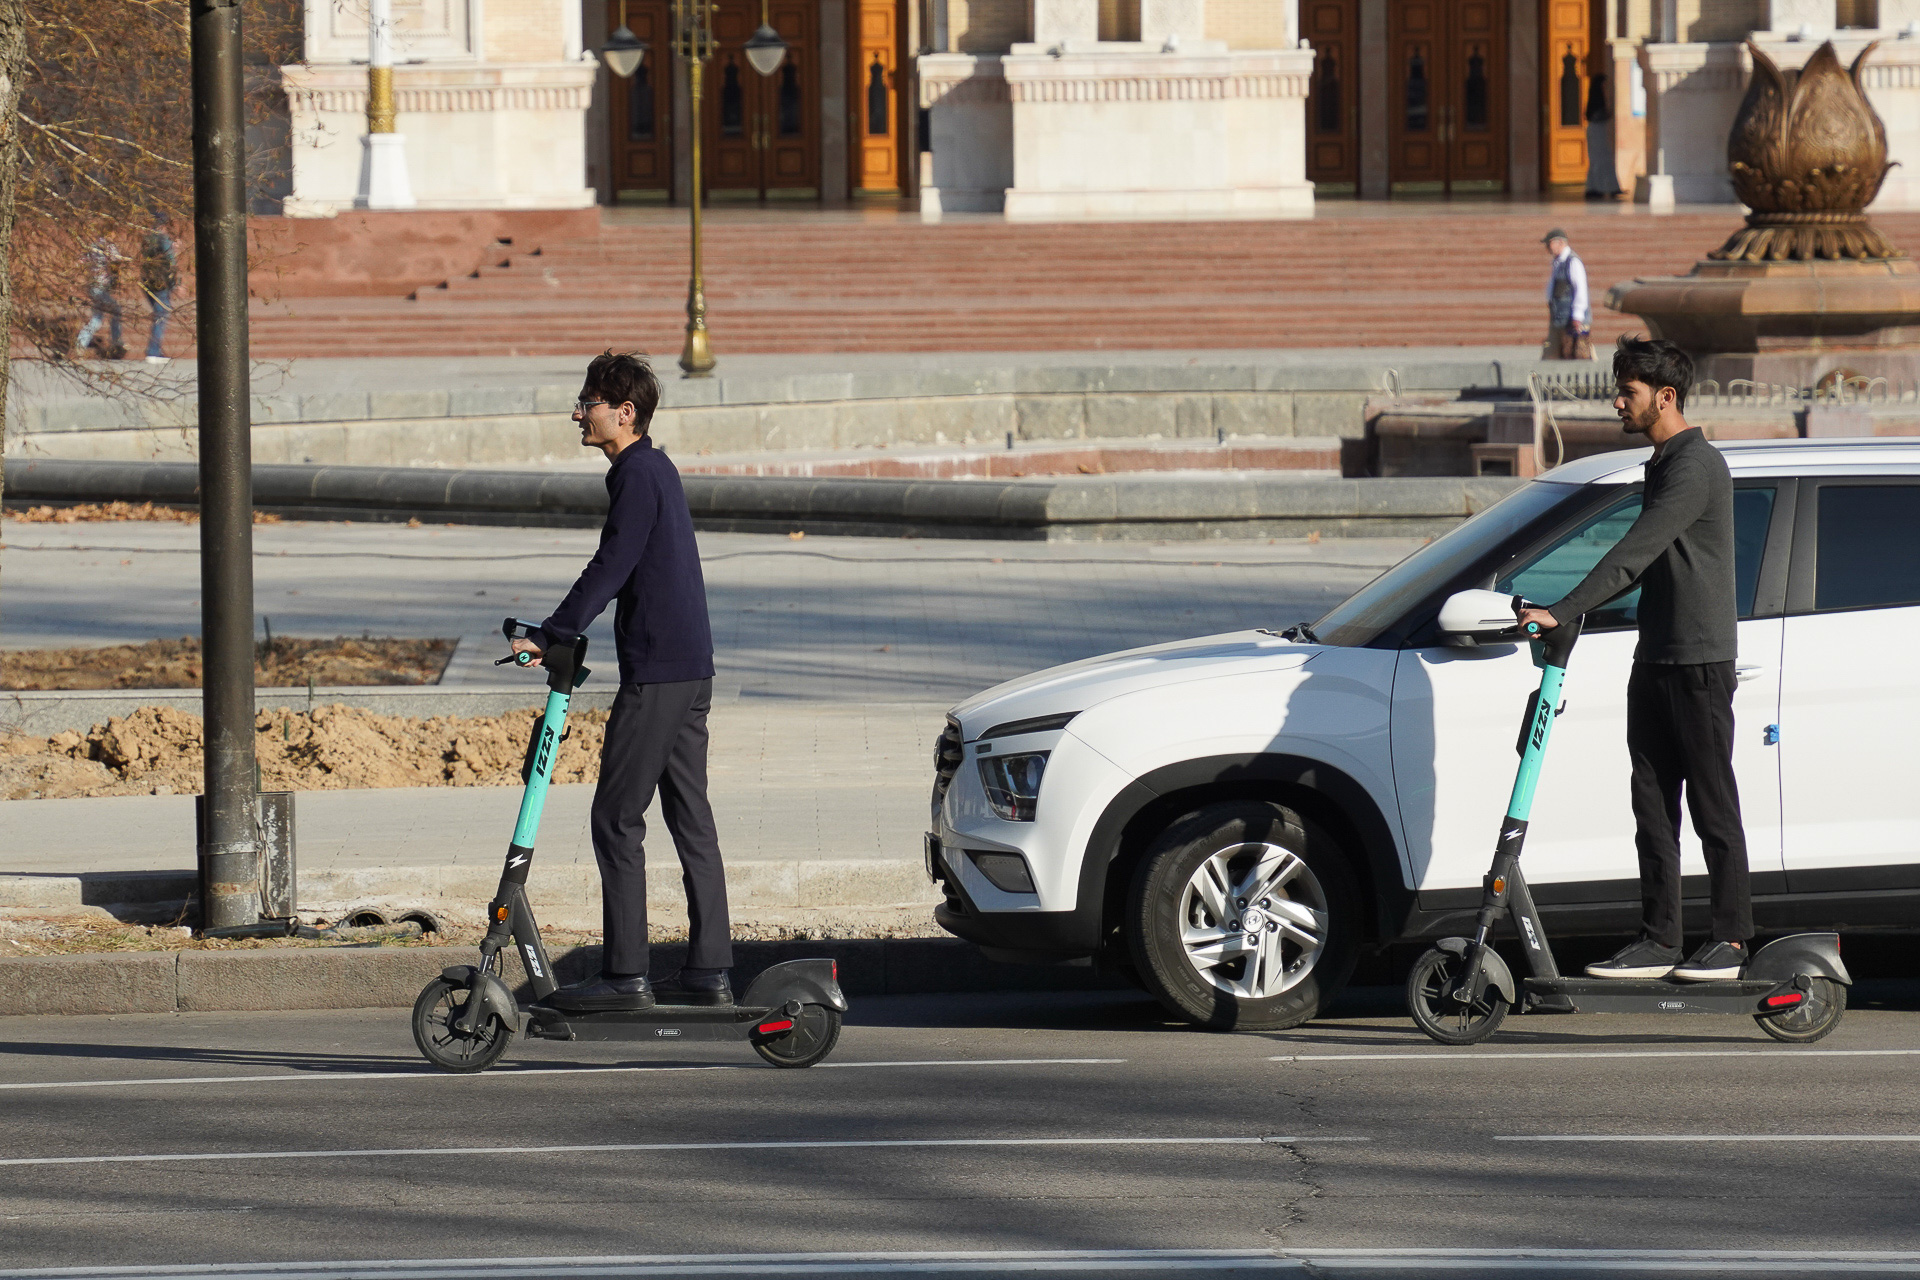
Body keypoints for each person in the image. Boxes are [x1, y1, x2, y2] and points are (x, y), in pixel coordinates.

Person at [1517, 336, 1752, 983]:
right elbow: (1641, 565)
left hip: (1699, 661)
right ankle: (1659, 938)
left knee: (1711, 805)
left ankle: (1731, 940)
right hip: (1656, 658)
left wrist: (1562, 610)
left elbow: (1635, 552)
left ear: (1666, 397)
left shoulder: (1696, 466)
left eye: (1629, 392)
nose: (1618, 402)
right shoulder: (1663, 462)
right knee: (1652, 805)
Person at [510, 350, 734, 1011]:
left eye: (588, 402)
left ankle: (627, 975)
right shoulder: (651, 469)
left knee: (615, 816)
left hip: (661, 673)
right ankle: (708, 973)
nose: (578, 412)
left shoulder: (638, 472)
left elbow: (610, 566)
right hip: (690, 668)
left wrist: (551, 634)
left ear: (624, 412)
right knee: (690, 819)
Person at [1541, 229, 1592, 361]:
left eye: (1549, 243)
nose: (1547, 247)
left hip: (1572, 320)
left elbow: (1580, 290)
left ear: (1560, 242)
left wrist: (1577, 317)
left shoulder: (1573, 262)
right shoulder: (1558, 262)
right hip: (1560, 319)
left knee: (1579, 355)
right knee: (1555, 354)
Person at [74, 237, 126, 360]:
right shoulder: (109, 246)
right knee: (116, 310)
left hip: (93, 286)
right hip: (100, 288)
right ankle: (116, 342)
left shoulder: (93, 245)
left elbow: (81, 261)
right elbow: (117, 261)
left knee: (97, 318)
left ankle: (81, 343)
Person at [140, 218, 178, 365]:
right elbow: (171, 261)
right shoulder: (163, 239)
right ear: (163, 225)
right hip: (161, 282)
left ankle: (155, 350)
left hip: (147, 281)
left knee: (158, 314)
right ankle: (153, 351)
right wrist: (175, 284)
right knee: (161, 316)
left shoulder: (147, 240)